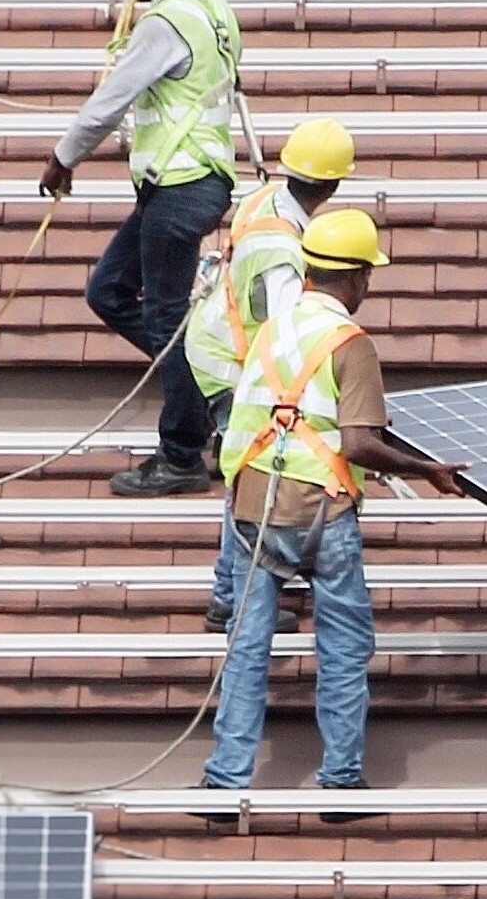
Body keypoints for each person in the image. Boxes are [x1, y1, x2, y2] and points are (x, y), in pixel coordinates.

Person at [199, 209, 468, 812]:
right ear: (355, 279)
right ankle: (341, 781)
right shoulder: (352, 344)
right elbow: (361, 444)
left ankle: (225, 781)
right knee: (344, 650)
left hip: (253, 510)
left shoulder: (271, 332)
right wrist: (429, 471)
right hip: (323, 512)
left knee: (246, 651)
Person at [38, 0, 242, 497]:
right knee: (109, 291)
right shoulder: (214, 8)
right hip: (188, 184)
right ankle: (211, 392)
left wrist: (62, 158)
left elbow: (109, 101)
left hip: (181, 187)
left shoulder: (164, 24)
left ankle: (181, 454)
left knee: (166, 320)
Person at [184, 117, 357, 634]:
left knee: (247, 471)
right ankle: (230, 597)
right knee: (246, 471)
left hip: (220, 344)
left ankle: (233, 591)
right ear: (333, 185)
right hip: (234, 362)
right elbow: (291, 333)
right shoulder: (284, 252)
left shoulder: (264, 199)